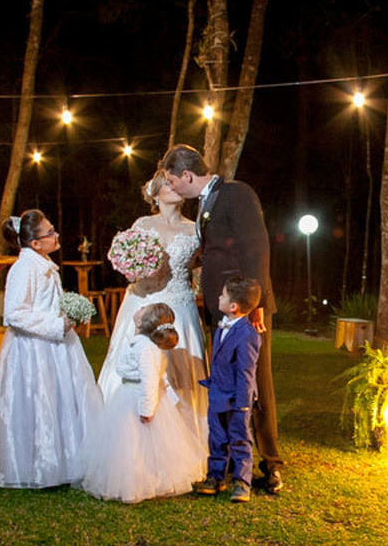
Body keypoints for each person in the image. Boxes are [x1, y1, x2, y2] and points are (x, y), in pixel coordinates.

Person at [161, 144, 283, 493]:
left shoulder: (236, 193)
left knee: (256, 382)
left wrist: (253, 305)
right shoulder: (205, 203)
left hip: (246, 310)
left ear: (187, 175)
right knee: (227, 385)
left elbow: (256, 248)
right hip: (220, 311)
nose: (173, 188)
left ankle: (271, 465)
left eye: (173, 180)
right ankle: (231, 460)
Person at [0, 210, 101, 489]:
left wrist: (70, 313)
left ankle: (65, 460)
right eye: (50, 232)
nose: (56, 235)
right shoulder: (23, 269)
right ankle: (33, 464)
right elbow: (14, 313)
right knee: (37, 403)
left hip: (57, 347)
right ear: (35, 243)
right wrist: (56, 324)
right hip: (33, 349)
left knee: (60, 401)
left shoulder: (45, 264)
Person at [98, 171, 207, 444]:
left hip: (179, 306)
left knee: (180, 372)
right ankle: (126, 439)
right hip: (143, 301)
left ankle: (181, 441)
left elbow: (199, 264)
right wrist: (133, 270)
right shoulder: (142, 224)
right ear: (155, 194)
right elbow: (130, 263)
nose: (173, 188)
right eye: (167, 185)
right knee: (136, 364)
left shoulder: (193, 228)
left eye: (174, 183)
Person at [80, 303, 206, 503]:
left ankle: (142, 481)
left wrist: (147, 408)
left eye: (143, 308)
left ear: (141, 321)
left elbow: (149, 380)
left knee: (138, 443)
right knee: (132, 443)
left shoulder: (146, 348)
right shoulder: (139, 343)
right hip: (129, 394)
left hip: (137, 399)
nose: (139, 307)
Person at [193, 277, 263, 503]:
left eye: (222, 295)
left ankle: (242, 482)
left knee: (239, 439)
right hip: (217, 393)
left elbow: (246, 371)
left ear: (233, 306)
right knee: (217, 437)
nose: (219, 297)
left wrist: (244, 403)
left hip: (236, 399)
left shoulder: (247, 334)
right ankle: (215, 477)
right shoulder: (222, 325)